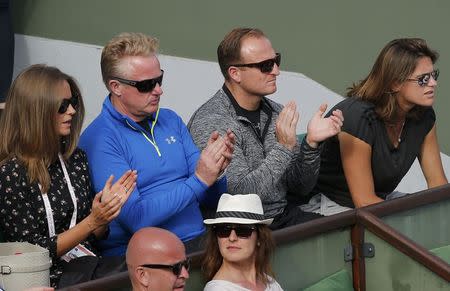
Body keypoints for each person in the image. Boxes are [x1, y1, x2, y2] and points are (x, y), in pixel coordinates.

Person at [79, 32, 234, 256]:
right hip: (146, 259)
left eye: (159, 79)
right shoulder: (101, 139)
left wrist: (217, 172)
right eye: (147, 85)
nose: (159, 90)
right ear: (116, 87)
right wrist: (199, 180)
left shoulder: (170, 120)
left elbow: (210, 197)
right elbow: (136, 219)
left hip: (198, 242)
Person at [188, 27, 343, 229]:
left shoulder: (277, 112)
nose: (276, 71)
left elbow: (301, 187)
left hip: (280, 216)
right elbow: (240, 198)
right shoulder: (213, 121)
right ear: (235, 73)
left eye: (276, 60)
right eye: (266, 65)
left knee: (343, 234)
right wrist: (284, 148)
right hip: (238, 228)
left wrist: (312, 145)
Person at [0, 64, 137, 287]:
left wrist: (104, 214)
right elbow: (31, 254)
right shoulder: (10, 174)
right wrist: (92, 222)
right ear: (37, 112)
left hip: (88, 268)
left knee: (147, 267)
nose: (72, 111)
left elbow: (94, 236)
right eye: (62, 106)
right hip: (45, 279)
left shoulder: (75, 159)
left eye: (73, 102)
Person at [309, 38, 448, 213]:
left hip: (379, 200)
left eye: (433, 75)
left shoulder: (423, 115)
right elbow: (364, 202)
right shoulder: (358, 118)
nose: (433, 83)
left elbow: (438, 186)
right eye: (423, 79)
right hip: (329, 207)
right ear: (395, 83)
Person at [202, 193, 283, 291]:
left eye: (243, 230)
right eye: (223, 230)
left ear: (259, 238)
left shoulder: (270, 283)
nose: (232, 238)